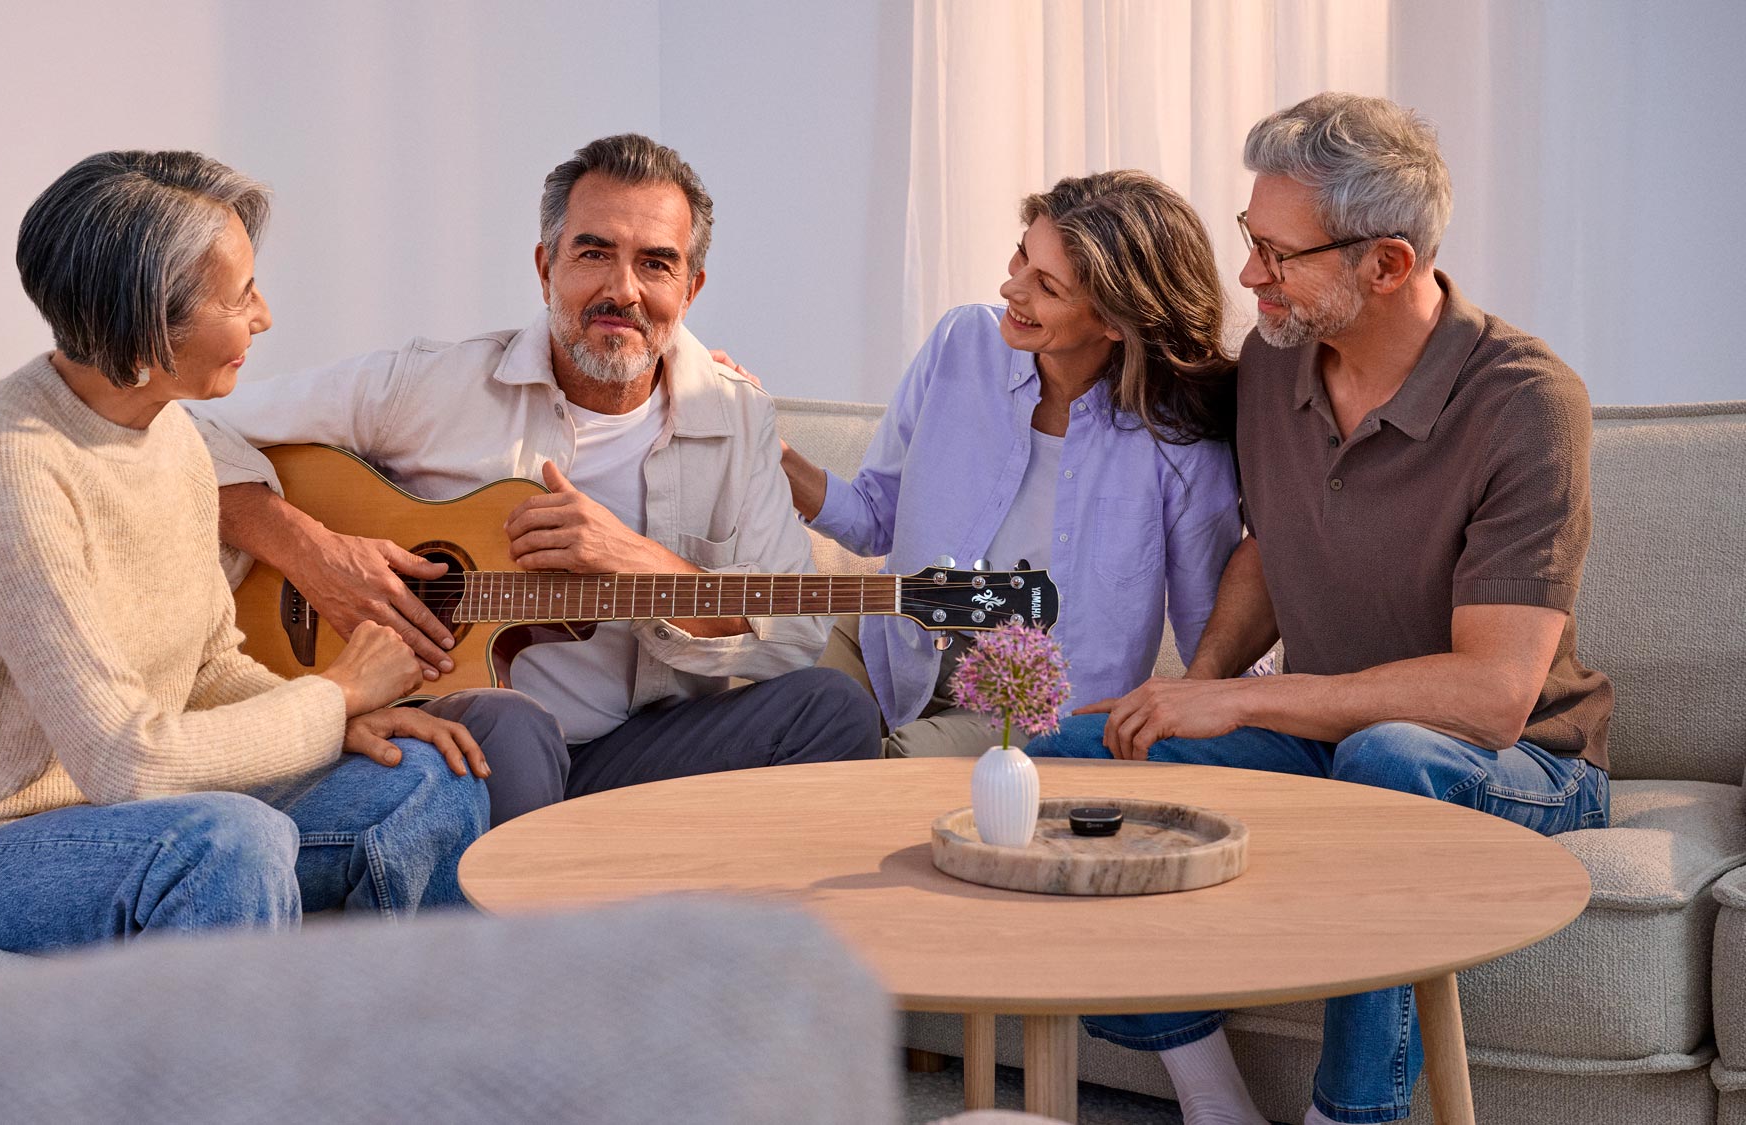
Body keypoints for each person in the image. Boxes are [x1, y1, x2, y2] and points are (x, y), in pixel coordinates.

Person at [1029, 94, 1615, 1125]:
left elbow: (1488, 696)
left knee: (1392, 758)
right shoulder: (1273, 360)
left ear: (1385, 265)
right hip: (1331, 744)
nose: (1247, 274)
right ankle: (1213, 1101)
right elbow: (1265, 546)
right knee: (1088, 749)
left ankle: (1350, 1118)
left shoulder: (1524, 401)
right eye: (1248, 241)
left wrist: (1251, 706)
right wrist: (1198, 687)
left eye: (1274, 253)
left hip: (1522, 764)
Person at [0, 151, 549, 954]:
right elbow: (124, 761)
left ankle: (417, 1053)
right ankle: (236, 1078)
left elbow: (209, 667)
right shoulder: (4, 456)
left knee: (427, 780)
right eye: (241, 294)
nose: (266, 316)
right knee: (229, 842)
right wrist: (332, 696)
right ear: (148, 320)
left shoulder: (175, 438)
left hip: (129, 824)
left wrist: (347, 715)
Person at [187, 133, 876, 808]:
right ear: (546, 268)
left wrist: (637, 564)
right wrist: (316, 557)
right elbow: (189, 426)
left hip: (642, 752)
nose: (623, 289)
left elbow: (794, 634)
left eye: (656, 264)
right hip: (473, 742)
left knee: (833, 708)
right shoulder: (432, 385)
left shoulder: (739, 421)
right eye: (594, 253)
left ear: (690, 289)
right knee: (515, 726)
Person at [779, 170, 1241, 757]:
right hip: (890, 649)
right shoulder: (960, 344)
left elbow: (1210, 633)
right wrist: (771, 453)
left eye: (1045, 285)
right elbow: (874, 518)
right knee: (775, 731)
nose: (1010, 288)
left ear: (1115, 321)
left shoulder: (1178, 444)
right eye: (1021, 255)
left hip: (1032, 704)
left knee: (885, 773)